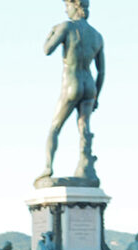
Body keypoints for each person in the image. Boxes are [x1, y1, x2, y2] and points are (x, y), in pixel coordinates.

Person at [39, 0, 104, 184]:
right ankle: (86, 167)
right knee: (84, 127)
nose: (65, 9)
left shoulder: (66, 27)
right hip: (89, 84)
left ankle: (47, 168)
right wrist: (97, 94)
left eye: (67, 6)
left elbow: (46, 50)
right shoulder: (97, 36)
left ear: (74, 7)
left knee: (55, 126)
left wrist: (52, 32)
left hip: (72, 83)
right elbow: (102, 71)